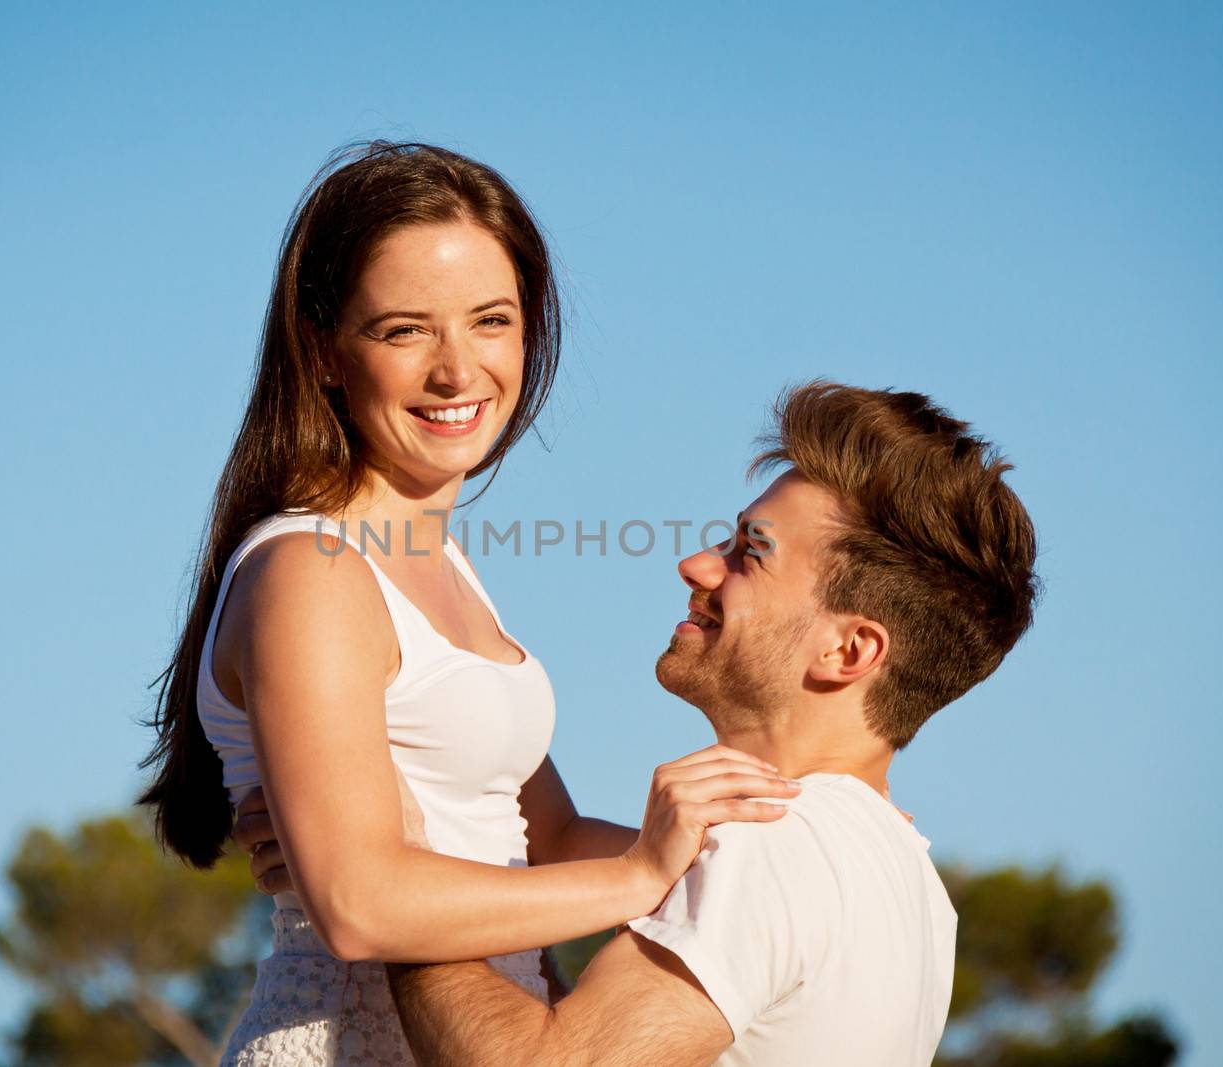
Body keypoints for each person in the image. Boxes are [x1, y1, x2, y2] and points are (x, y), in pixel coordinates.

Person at [137, 141, 799, 1067]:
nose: (458, 371)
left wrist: (781, 852)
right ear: (325, 350)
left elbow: (550, 836)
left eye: (490, 320)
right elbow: (362, 906)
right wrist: (643, 874)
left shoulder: (437, 560)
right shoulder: (310, 570)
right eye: (405, 330)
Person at [241, 380, 1042, 1066]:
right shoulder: (911, 886)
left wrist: (394, 881)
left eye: (749, 552)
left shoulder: (775, 843)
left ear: (849, 648)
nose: (698, 564)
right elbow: (556, 865)